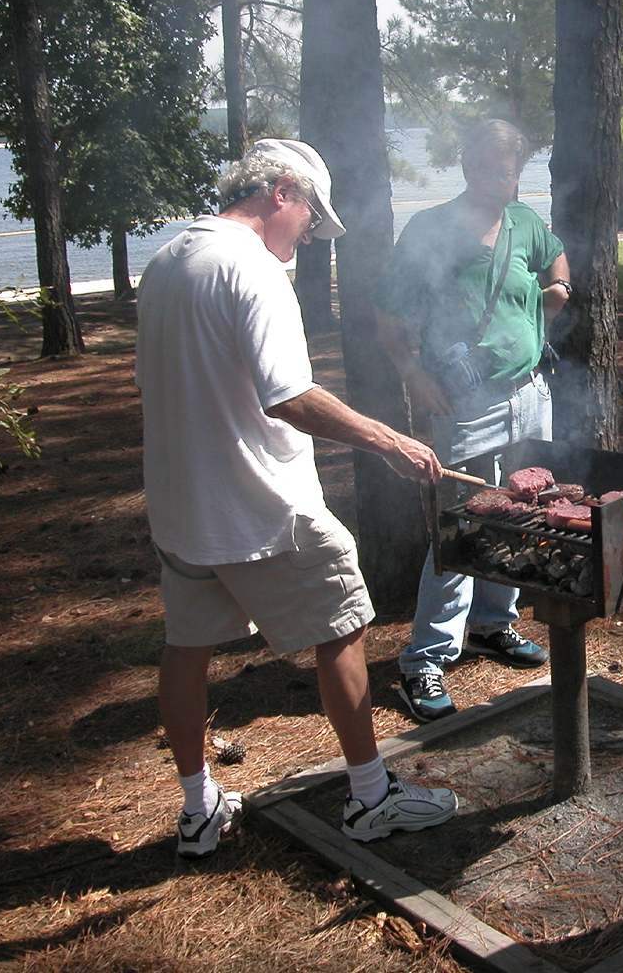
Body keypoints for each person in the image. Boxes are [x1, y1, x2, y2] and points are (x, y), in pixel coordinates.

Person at [136, 138, 458, 859]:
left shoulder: (167, 260)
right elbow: (290, 396)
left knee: (185, 649)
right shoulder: (252, 269)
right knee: (345, 616)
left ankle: (197, 808)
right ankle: (373, 797)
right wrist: (390, 441)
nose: (312, 233)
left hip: (183, 509)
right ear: (280, 191)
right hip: (259, 505)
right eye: (312, 214)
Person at [376, 119, 571, 724]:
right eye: (488, 166)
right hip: (463, 402)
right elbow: (387, 311)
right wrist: (412, 374)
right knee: (460, 523)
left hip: (529, 393)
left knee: (518, 510)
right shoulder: (429, 229)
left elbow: (556, 266)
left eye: (509, 168)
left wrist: (555, 292)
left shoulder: (525, 223)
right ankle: (425, 658)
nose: (499, 177)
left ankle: (493, 624)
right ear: (466, 166)